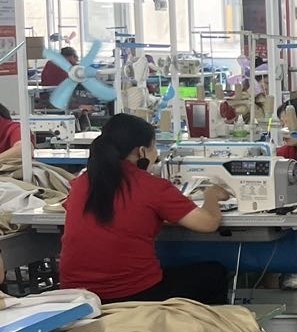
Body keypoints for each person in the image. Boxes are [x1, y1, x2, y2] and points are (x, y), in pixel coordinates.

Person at [59, 113, 232, 304]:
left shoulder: (81, 183)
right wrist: (211, 194)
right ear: (141, 152)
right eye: (154, 147)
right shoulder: (151, 186)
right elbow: (208, 223)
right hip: (133, 294)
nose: (156, 154)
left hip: (76, 296)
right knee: (214, 273)